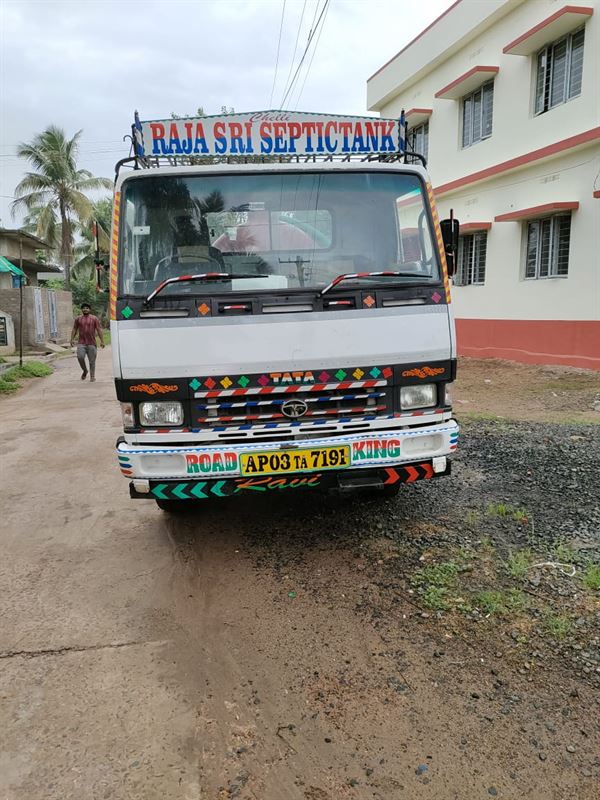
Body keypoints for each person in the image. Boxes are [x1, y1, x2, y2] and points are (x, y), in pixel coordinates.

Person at [70, 303, 105, 382]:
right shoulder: (78, 319)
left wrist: (102, 341)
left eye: (87, 308)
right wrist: (71, 339)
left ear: (90, 310)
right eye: (83, 308)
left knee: (92, 361)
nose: (85, 309)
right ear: (81, 310)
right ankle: (85, 370)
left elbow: (99, 329)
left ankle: (92, 376)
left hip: (92, 343)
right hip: (81, 343)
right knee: (80, 357)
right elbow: (74, 329)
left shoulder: (94, 318)